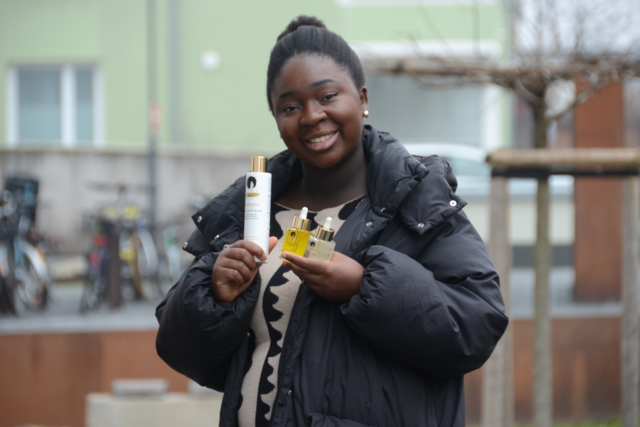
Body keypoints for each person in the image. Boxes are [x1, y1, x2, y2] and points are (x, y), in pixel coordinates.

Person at [156, 15, 508, 427]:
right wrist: (214, 296)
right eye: (290, 106)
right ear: (275, 116)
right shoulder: (248, 212)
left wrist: (363, 287)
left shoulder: (418, 202)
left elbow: (476, 328)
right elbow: (180, 350)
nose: (311, 116)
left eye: (326, 96)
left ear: (361, 97)